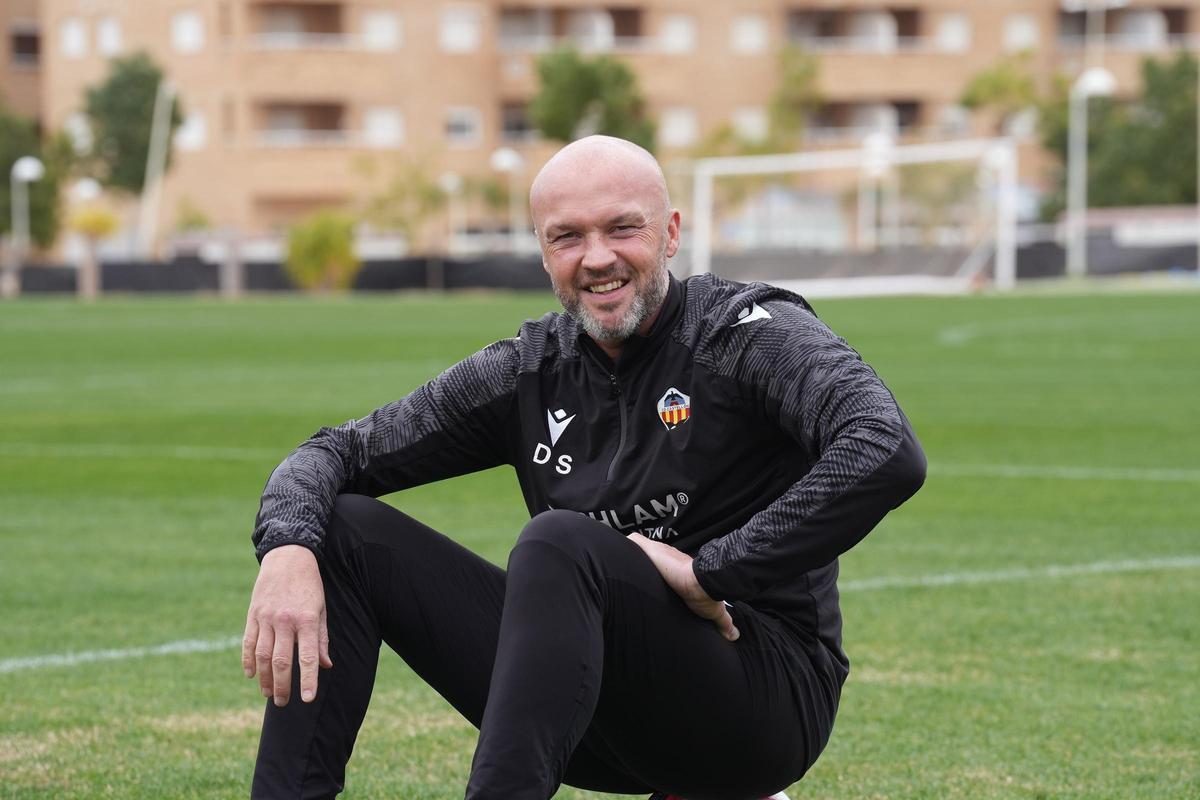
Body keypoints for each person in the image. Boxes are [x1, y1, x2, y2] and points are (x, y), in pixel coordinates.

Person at [243, 135, 926, 800]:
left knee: (558, 541)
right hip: (590, 713)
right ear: (544, 254)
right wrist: (286, 548)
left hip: (758, 702)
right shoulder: (529, 369)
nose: (597, 258)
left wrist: (712, 570)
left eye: (622, 228)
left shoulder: (743, 334)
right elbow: (336, 451)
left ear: (670, 233)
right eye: (567, 237)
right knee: (341, 530)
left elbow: (883, 444)